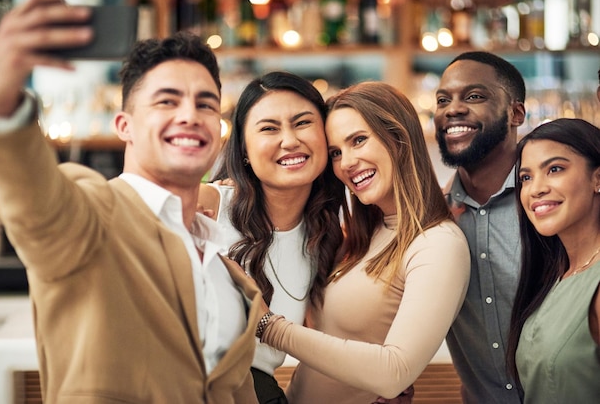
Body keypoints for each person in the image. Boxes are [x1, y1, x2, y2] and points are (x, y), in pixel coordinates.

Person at [0, 0, 262, 403]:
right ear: (124, 125)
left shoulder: (223, 263)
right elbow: (36, 199)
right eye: (167, 100)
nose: (189, 114)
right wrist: (0, 103)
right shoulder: (93, 215)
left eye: (206, 103)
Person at [254, 81, 471, 403]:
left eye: (359, 140)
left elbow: (394, 372)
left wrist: (268, 326)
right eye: (336, 153)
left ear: (399, 138)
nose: (347, 163)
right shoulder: (362, 236)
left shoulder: (438, 243)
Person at [198, 71, 345, 403]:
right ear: (245, 151)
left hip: (260, 392)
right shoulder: (207, 205)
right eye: (269, 128)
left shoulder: (328, 237)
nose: (290, 140)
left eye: (303, 123)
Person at [433, 51, 527, 403]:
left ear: (516, 113)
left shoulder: (555, 204)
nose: (452, 109)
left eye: (474, 96)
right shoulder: (433, 218)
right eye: (443, 99)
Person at [507, 118, 600, 402]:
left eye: (554, 169)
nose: (536, 189)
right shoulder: (555, 277)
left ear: (597, 178)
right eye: (526, 177)